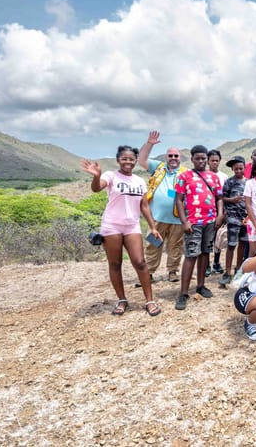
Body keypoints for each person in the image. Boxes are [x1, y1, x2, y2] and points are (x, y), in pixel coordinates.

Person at [81, 146, 162, 317]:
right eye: (124, 158)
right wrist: (96, 176)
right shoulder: (110, 176)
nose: (128, 161)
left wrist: (153, 227)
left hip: (132, 226)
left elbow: (144, 206)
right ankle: (122, 299)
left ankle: (149, 300)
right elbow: (96, 189)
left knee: (140, 262)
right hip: (112, 226)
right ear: (118, 159)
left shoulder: (139, 181)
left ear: (135, 161)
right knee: (115, 263)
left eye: (131, 159)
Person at [174, 145, 224, 311]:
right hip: (193, 223)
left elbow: (219, 198)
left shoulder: (213, 177)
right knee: (191, 255)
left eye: (204, 158)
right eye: (198, 158)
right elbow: (179, 200)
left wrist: (220, 215)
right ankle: (183, 293)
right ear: (192, 159)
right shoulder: (184, 177)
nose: (201, 161)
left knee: (205, 254)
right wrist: (184, 221)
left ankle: (201, 286)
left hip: (210, 221)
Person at [137, 130, 188, 283]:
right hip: (156, 218)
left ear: (180, 158)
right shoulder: (158, 167)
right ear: (166, 157)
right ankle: (149, 273)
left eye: (176, 156)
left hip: (177, 218)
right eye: (170, 155)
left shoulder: (186, 173)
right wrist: (149, 144)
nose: (173, 158)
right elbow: (141, 159)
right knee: (153, 245)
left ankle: (172, 272)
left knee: (176, 246)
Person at [220, 155, 248, 287]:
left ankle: (238, 269)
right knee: (231, 245)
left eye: (240, 168)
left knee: (243, 243)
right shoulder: (229, 182)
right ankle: (227, 272)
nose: (238, 171)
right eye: (236, 169)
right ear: (232, 169)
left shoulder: (249, 182)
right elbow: (222, 198)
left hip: (245, 219)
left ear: (244, 168)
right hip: (232, 217)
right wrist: (232, 200)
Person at [208, 149, 229, 275]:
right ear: (208, 161)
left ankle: (216, 262)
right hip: (205, 212)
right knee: (206, 238)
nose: (214, 163)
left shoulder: (224, 176)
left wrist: (224, 213)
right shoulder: (203, 175)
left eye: (217, 160)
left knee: (218, 237)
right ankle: (206, 265)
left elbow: (225, 195)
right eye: (212, 160)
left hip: (219, 211)